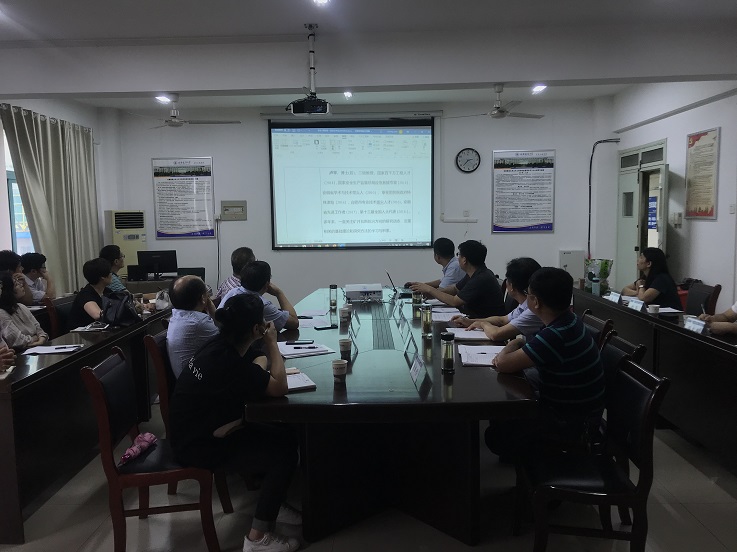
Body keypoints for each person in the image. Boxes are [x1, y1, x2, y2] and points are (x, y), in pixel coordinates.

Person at [170, 293, 301, 552]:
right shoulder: (229, 362)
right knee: (284, 452)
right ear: (257, 329)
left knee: (285, 431)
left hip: (193, 430)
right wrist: (272, 343)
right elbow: (279, 387)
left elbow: (255, 358)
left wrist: (259, 361)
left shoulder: (218, 345)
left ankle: (273, 504)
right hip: (199, 445)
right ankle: (257, 539)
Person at [487, 267, 605, 461]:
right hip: (581, 411)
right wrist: (520, 343)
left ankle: (531, 460)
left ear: (535, 302)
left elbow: (502, 363)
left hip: (570, 423)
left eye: (528, 294)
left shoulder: (555, 334)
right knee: (505, 410)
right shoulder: (569, 320)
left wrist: (514, 343)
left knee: (497, 433)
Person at [454, 257, 543, 342]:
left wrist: (482, 324)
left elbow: (496, 334)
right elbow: (502, 320)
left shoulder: (534, 310)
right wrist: (469, 321)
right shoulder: (526, 303)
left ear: (511, 286)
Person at [409, 240, 505, 318]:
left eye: (459, 255)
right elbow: (455, 289)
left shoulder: (481, 278)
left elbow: (455, 301)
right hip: (473, 318)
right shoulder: (474, 273)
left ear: (464, 260)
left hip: (485, 323)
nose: (457, 258)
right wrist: (431, 294)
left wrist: (430, 289)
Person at [219, 261, 299, 331]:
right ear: (267, 284)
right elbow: (294, 322)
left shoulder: (232, 292)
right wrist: (279, 293)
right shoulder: (262, 304)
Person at [167, 275, 220, 378]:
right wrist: (213, 312)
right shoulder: (199, 322)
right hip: (196, 381)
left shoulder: (177, 315)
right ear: (203, 298)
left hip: (186, 377)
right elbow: (227, 342)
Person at [0, 271, 49, 349]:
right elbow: (18, 341)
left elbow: (41, 331)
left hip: (37, 348)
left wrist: (41, 339)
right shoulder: (1, 313)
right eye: (16, 284)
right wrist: (36, 338)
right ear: (8, 291)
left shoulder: (21, 307)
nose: (21, 285)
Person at [68, 258, 113, 329]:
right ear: (103, 277)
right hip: (82, 333)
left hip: (100, 330)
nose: (111, 274)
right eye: (110, 272)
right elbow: (98, 315)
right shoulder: (85, 294)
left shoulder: (107, 291)